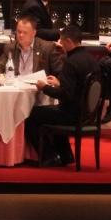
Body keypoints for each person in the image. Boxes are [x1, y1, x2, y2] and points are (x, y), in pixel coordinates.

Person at [25, 25, 99, 167]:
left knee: (31, 115)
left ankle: (49, 156)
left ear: (69, 42)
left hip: (72, 115)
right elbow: (79, 87)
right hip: (88, 114)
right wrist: (59, 83)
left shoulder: (71, 62)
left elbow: (65, 95)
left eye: (62, 41)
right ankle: (66, 156)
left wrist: (44, 87)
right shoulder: (91, 59)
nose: (60, 44)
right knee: (54, 111)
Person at [0, 15, 63, 81]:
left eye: (25, 32)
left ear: (34, 33)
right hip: (16, 91)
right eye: (19, 32)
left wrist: (57, 81)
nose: (21, 35)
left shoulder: (47, 48)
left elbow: (60, 73)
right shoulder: (10, 48)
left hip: (39, 92)